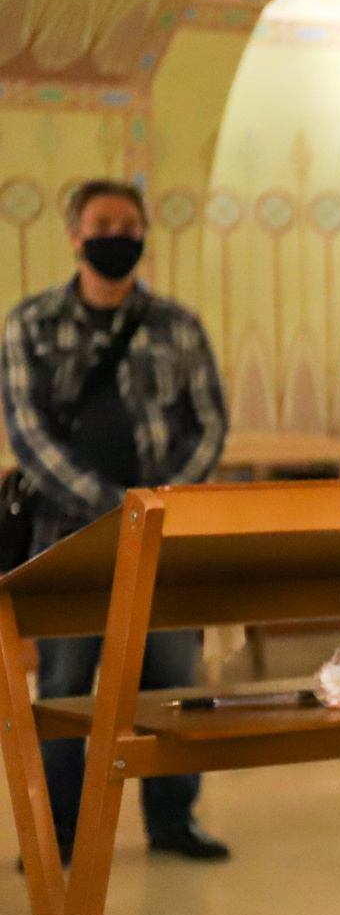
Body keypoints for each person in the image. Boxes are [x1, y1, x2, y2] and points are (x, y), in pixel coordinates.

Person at [3, 178, 228, 863]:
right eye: (103, 222)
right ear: (75, 234)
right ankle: (61, 829)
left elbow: (210, 421)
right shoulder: (31, 322)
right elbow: (27, 429)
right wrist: (109, 505)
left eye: (130, 224)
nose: (117, 235)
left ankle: (171, 821)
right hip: (68, 537)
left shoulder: (178, 325)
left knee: (172, 685)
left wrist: (157, 502)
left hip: (162, 535)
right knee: (67, 688)